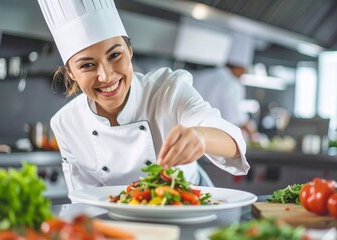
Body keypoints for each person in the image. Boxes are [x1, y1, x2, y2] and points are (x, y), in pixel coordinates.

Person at [37, 0, 249, 191]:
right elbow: (85, 201)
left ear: (129, 51)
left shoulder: (167, 89)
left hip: (190, 209)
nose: (106, 76)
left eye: (115, 55)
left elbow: (232, 142)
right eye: (87, 65)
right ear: (71, 73)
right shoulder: (66, 124)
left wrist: (201, 137)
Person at [193, 33, 258, 141]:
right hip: (211, 140)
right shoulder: (233, 84)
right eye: (244, 70)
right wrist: (254, 135)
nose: (243, 74)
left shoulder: (201, 76)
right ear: (240, 67)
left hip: (188, 133)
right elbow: (236, 118)